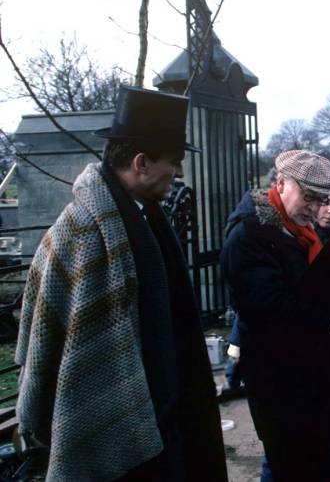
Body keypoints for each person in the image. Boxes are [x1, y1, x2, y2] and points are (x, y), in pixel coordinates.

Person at [14, 86, 228, 481]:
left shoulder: (146, 217)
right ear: (141, 162)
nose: (179, 173)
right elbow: (60, 344)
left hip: (164, 422)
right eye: (174, 162)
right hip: (117, 432)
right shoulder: (82, 232)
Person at [220, 150, 330, 482]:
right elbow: (271, 312)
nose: (317, 208)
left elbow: (311, 293)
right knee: (292, 465)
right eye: (309, 197)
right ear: (280, 183)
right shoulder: (250, 235)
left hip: (314, 375)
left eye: (322, 200)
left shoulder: (296, 227)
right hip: (281, 382)